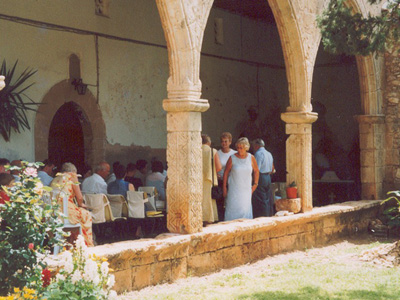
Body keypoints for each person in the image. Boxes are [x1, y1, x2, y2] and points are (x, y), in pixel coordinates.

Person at [50, 162, 94, 246]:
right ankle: (85, 244)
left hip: (54, 214)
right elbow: (80, 198)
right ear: (74, 171)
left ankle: (70, 242)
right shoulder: (72, 176)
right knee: (86, 214)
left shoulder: (55, 179)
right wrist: (81, 204)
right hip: (67, 213)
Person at [223, 137, 259, 221]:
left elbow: (256, 171)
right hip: (234, 190)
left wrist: (255, 184)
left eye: (241, 148)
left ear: (246, 148)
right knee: (232, 211)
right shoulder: (232, 158)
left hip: (246, 190)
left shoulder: (251, 158)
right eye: (238, 148)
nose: (239, 150)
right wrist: (224, 187)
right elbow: (226, 172)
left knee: (245, 211)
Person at [251, 139, 275, 217]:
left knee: (261, 198)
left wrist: (254, 181)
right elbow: (272, 168)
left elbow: (256, 169)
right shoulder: (269, 154)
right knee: (267, 198)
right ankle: (268, 215)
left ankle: (263, 216)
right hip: (268, 177)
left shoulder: (258, 154)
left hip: (261, 177)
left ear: (256, 146)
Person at [202, 134, 222, 224]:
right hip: (209, 180)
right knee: (208, 201)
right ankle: (208, 220)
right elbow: (218, 167)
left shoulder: (195, 150)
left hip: (197, 181)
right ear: (209, 142)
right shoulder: (212, 151)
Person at [216, 132, 237, 221]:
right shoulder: (217, 153)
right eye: (222, 142)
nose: (224, 143)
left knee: (231, 200)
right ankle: (221, 219)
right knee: (220, 201)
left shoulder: (234, 153)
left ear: (230, 142)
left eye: (226, 141)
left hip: (231, 180)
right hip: (220, 180)